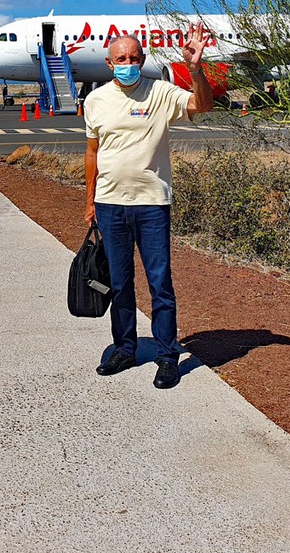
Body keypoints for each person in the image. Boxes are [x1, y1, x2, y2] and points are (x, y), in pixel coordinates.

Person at [83, 24, 213, 389]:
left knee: (160, 283)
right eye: (121, 59)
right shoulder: (95, 100)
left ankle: (167, 357)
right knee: (119, 283)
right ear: (109, 63)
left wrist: (196, 70)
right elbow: (92, 152)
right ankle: (125, 348)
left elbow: (202, 105)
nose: (128, 64)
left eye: (134, 58)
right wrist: (89, 200)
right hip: (110, 205)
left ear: (142, 61)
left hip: (152, 204)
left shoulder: (160, 92)